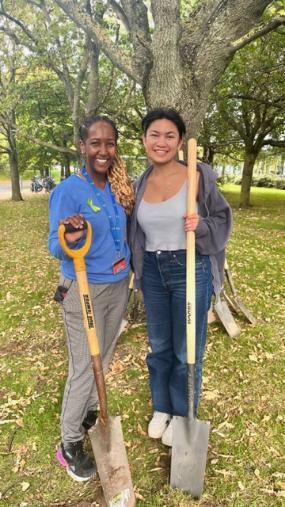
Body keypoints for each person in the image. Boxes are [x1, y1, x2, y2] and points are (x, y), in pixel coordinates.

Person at [129, 108, 232, 446]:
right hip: (154, 274)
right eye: (154, 135)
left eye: (169, 135)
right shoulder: (138, 184)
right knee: (158, 346)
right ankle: (163, 407)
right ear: (144, 140)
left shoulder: (198, 177)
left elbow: (222, 219)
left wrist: (200, 227)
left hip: (191, 267)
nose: (161, 142)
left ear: (180, 141)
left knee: (186, 349)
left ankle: (184, 412)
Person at [48, 114, 134, 481]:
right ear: (82, 146)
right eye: (95, 143)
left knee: (106, 353)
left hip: (118, 284)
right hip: (85, 287)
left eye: (109, 143)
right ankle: (68, 443)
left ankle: (85, 413)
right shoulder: (68, 191)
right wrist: (72, 231)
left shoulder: (118, 185)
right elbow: (55, 244)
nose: (103, 150)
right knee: (85, 365)